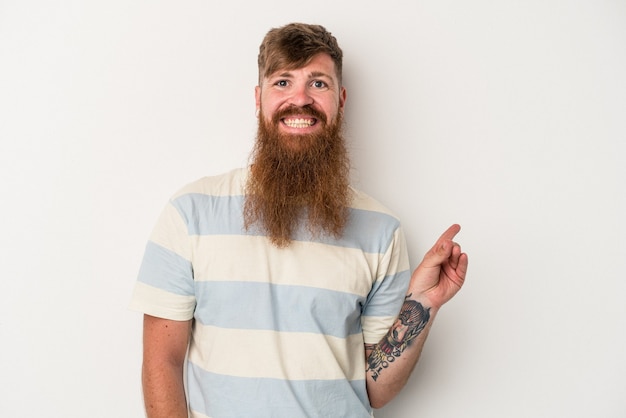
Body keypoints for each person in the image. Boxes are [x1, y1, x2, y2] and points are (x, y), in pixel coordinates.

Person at [129, 22, 468, 418]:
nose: (300, 99)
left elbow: (376, 389)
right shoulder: (190, 212)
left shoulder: (381, 230)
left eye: (318, 84)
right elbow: (161, 363)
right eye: (283, 82)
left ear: (341, 100)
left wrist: (423, 305)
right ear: (259, 99)